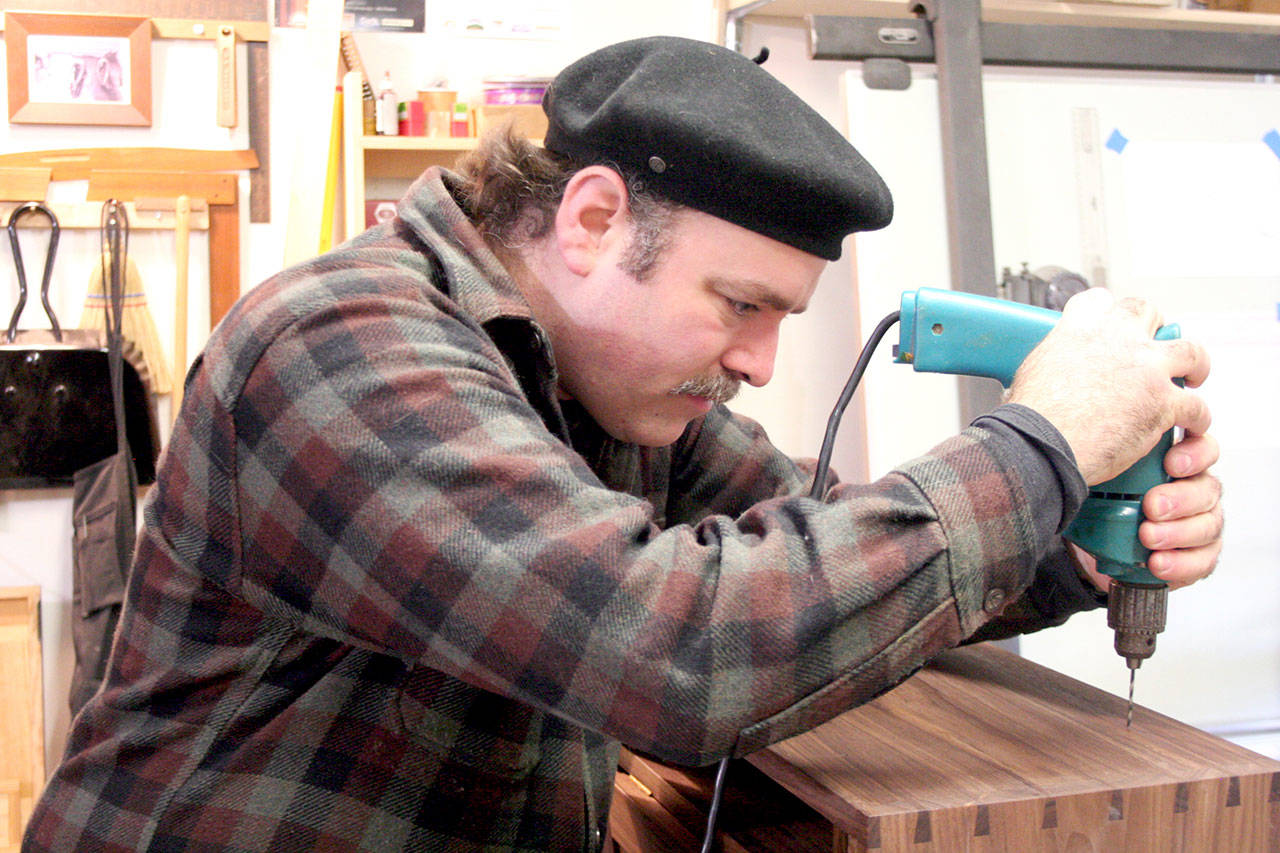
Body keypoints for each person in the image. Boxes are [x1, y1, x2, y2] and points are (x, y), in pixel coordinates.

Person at [25, 36, 1221, 852]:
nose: (760, 362)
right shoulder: (338, 347)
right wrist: (1035, 443)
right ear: (593, 219)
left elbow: (821, 567)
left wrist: (1073, 545)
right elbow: (678, 650)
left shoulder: (614, 394)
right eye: (739, 303)